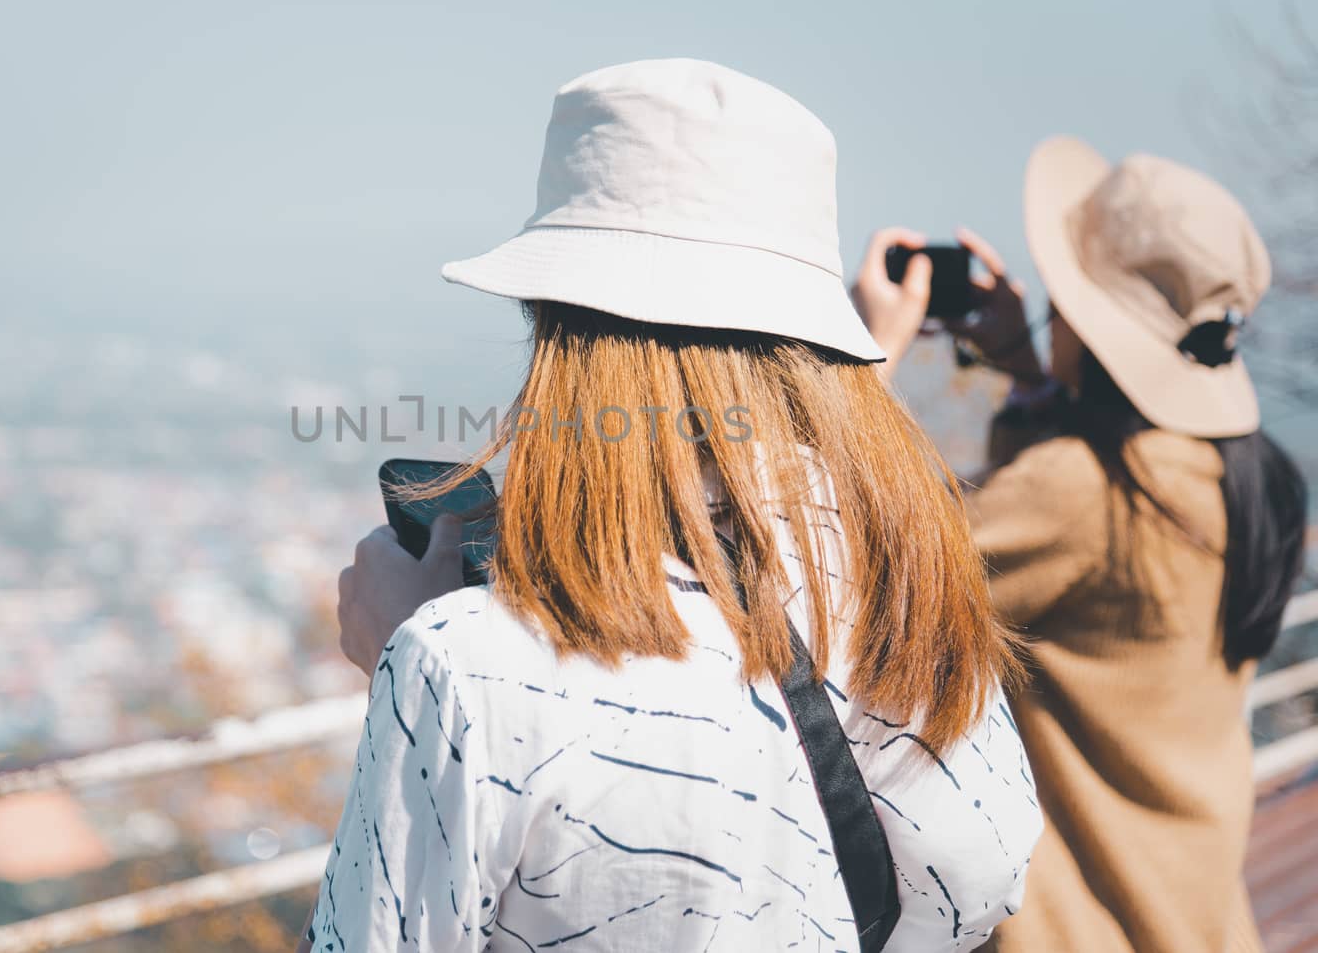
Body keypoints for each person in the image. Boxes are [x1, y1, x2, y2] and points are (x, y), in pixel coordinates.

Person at [301, 59, 1041, 953]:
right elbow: (986, 876)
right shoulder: (897, 572)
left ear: (560, 326)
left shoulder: (466, 665)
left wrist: (413, 675)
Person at [850, 138, 1309, 953]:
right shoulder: (1237, 478)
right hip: (1203, 921)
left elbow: (865, 573)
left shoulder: (1085, 492)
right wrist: (1027, 371)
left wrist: (860, 368)